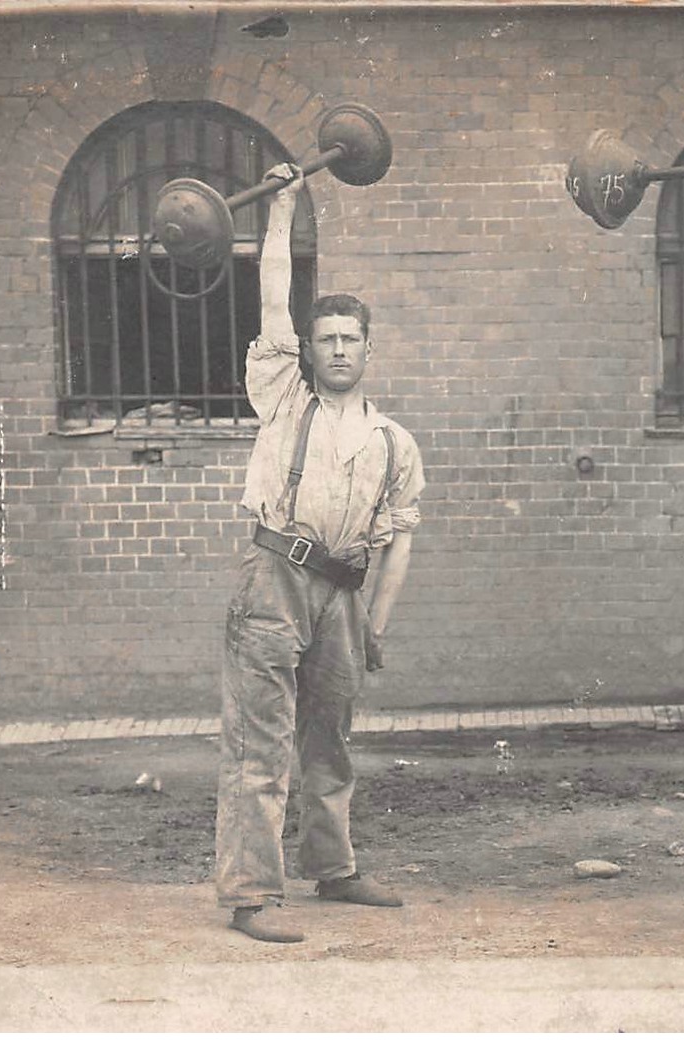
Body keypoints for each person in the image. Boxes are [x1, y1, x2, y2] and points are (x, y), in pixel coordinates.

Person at [215, 163, 425, 943]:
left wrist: (376, 622)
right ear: (308, 349)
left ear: (368, 350)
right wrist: (282, 211)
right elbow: (272, 301)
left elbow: (396, 539)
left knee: (330, 739)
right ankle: (249, 895)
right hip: (272, 580)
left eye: (350, 340)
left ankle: (333, 870)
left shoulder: (391, 440)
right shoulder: (283, 399)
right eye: (326, 339)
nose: (337, 350)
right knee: (259, 742)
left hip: (341, 595)